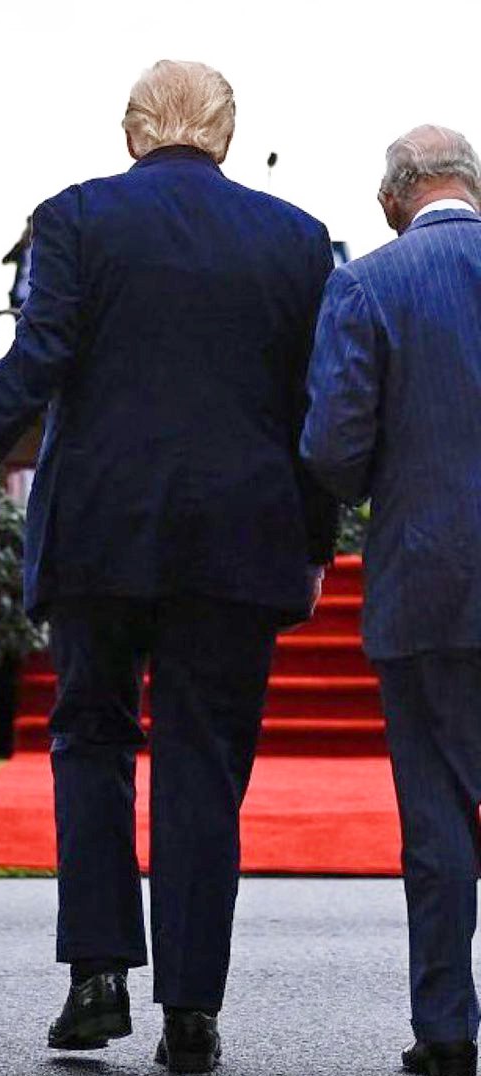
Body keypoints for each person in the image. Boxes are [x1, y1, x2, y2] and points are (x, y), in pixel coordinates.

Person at [0, 59, 338, 1072]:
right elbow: (314, 408)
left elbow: (36, 364)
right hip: (239, 540)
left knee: (90, 741)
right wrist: (316, 538)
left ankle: (97, 978)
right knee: (203, 766)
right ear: (226, 136)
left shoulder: (74, 218)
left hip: (103, 531)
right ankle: (191, 1011)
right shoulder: (297, 238)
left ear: (130, 133)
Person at [302, 125, 481, 1076]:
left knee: (439, 814)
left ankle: (447, 1028)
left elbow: (333, 447)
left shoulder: (368, 285)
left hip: (428, 575)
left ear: (391, 200)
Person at [2, 216, 32, 308]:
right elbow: (5, 260)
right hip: (20, 294)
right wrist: (20, 244)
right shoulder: (22, 247)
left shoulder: (45, 248)